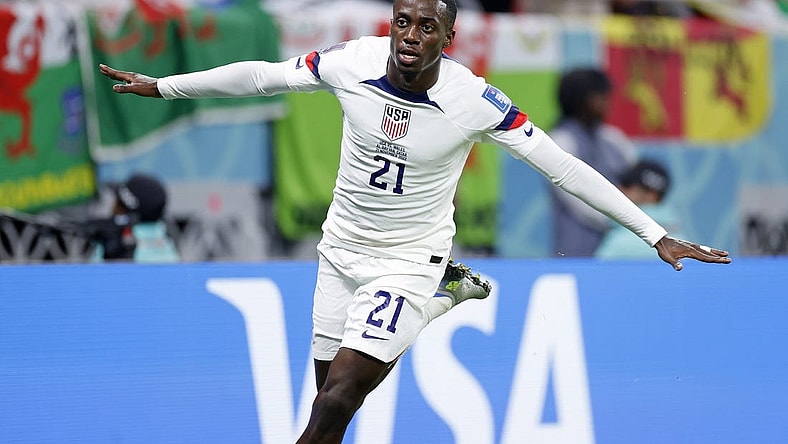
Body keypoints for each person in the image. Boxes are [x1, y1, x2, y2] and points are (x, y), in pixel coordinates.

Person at [97, 0, 730, 441]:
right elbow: (263, 77)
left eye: (427, 26)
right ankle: (445, 297)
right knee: (330, 409)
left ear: (446, 38)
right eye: (402, 21)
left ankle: (431, 293)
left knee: (338, 397)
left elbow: (563, 167)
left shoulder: (473, 100)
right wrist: (166, 87)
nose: (410, 34)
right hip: (339, 253)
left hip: (407, 262)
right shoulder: (352, 61)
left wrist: (655, 233)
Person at [548, 67, 638, 257]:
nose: (607, 103)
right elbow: (579, 202)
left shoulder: (615, 140)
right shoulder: (559, 141)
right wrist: (628, 218)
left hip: (623, 252)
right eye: (601, 97)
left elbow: (639, 187)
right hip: (578, 253)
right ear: (580, 100)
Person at [595, 159, 687, 259]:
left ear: (651, 195)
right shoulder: (684, 244)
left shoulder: (619, 244)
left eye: (627, 184)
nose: (619, 189)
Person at [90, 173, 180, 263]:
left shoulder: (114, 245)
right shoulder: (170, 247)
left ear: (123, 212)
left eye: (117, 202)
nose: (113, 207)